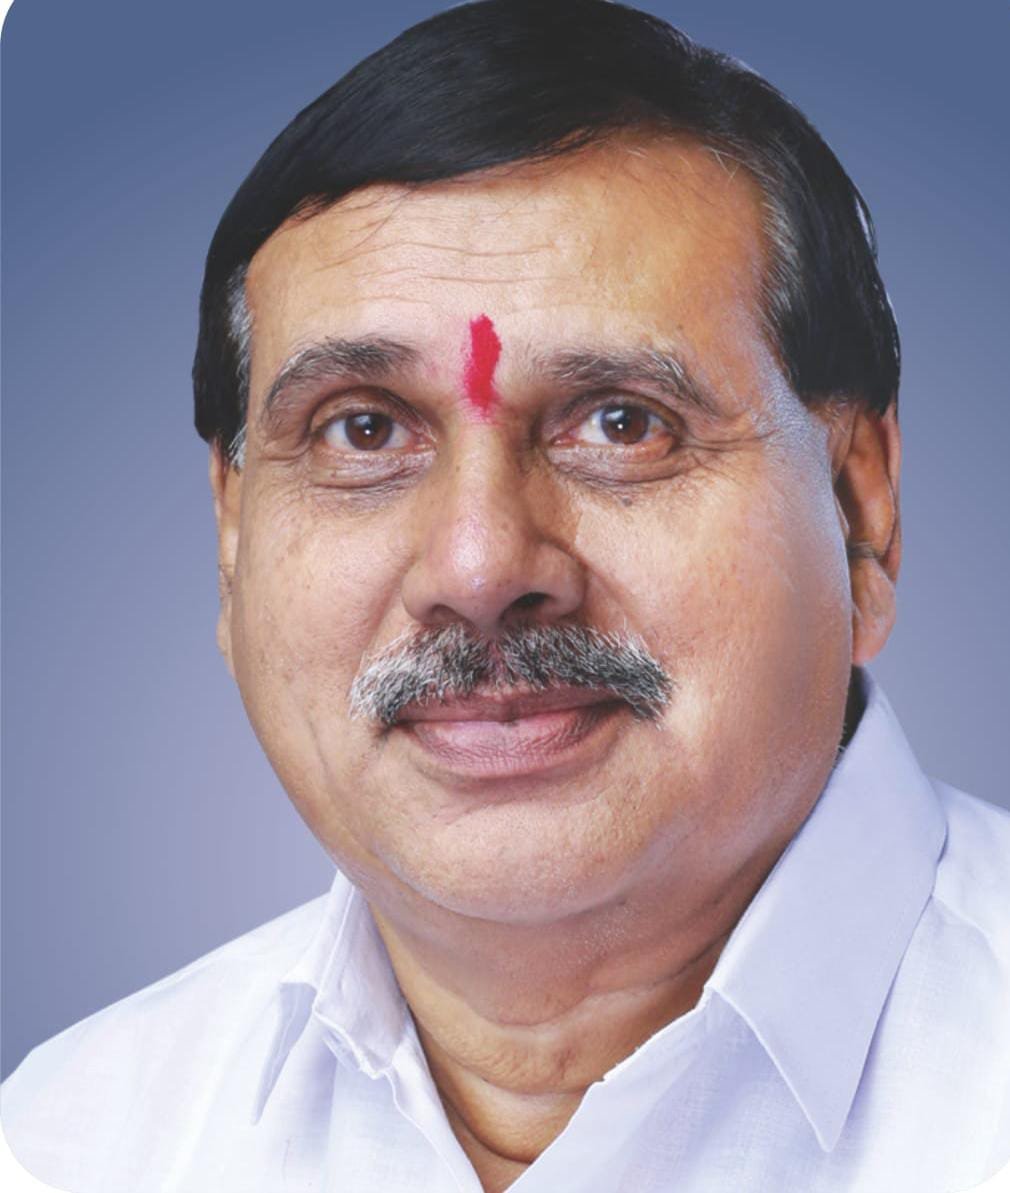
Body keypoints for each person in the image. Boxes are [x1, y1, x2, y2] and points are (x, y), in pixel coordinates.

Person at [3, 1, 1008, 1190]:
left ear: (857, 510)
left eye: (621, 424)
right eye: (362, 430)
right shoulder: (69, 1140)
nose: (479, 567)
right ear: (232, 538)